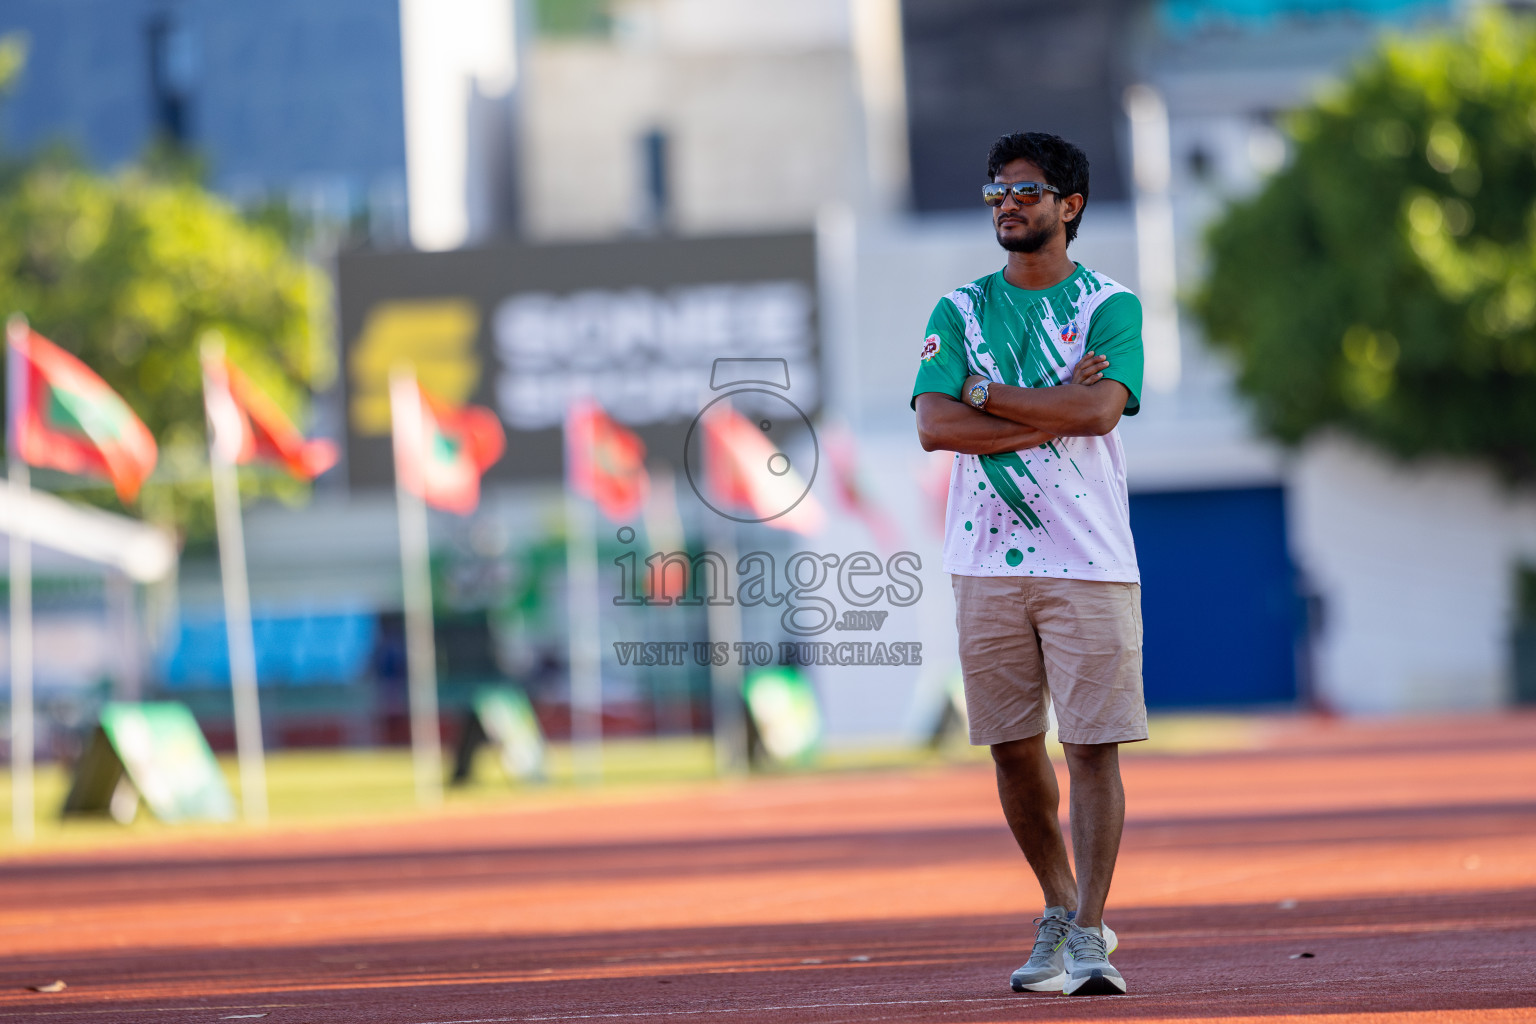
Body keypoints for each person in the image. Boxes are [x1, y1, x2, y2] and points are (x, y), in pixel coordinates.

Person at [911, 131, 1146, 997]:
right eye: (996, 193)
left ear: (1069, 206)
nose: (1006, 204)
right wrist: (1055, 410)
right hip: (983, 559)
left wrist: (986, 394)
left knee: (1091, 749)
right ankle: (1058, 902)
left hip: (1089, 559)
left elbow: (1104, 411)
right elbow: (936, 427)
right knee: (1012, 751)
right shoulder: (959, 310)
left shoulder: (1110, 307)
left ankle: (1088, 935)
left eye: (1025, 191)